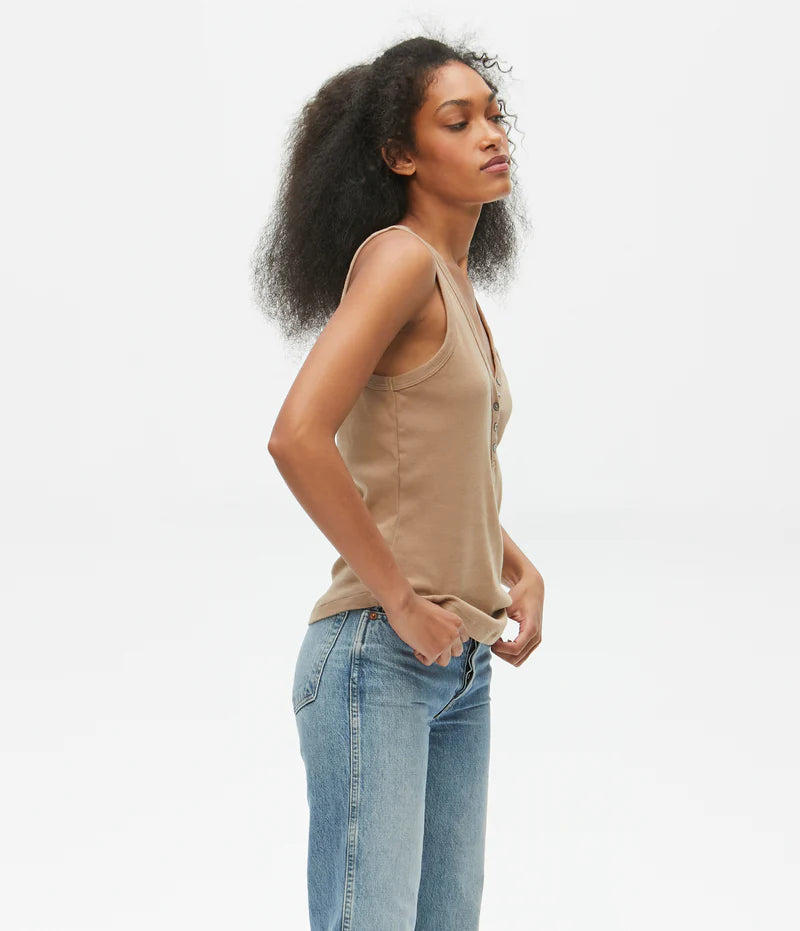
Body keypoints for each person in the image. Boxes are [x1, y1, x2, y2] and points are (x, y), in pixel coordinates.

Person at [253, 32, 545, 931]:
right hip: (378, 657)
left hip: (460, 663)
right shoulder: (400, 260)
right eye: (458, 121)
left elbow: (428, 466)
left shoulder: (453, 281)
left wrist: (513, 562)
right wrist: (402, 599)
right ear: (400, 155)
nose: (491, 134)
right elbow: (297, 436)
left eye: (494, 115)